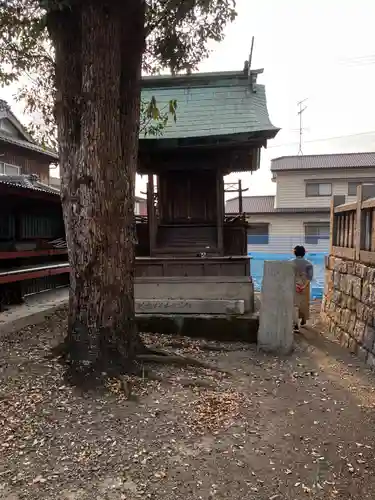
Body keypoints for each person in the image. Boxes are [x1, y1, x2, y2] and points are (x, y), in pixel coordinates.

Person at [291, 245, 313, 333]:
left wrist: (296, 285)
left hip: (294, 285)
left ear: (295, 253)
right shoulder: (309, 264)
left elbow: (289, 276)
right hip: (305, 285)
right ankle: (304, 319)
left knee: (295, 305)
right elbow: (310, 277)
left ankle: (296, 324)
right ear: (304, 253)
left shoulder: (290, 263)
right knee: (304, 303)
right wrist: (304, 286)